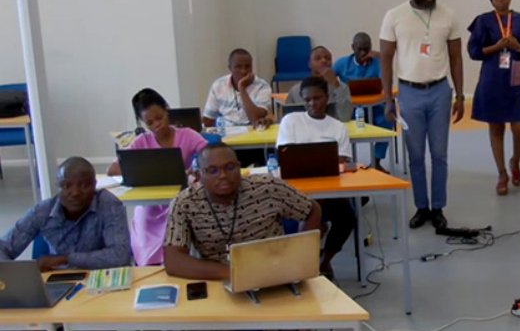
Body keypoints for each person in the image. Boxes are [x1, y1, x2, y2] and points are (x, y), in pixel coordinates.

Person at [380, 0, 465, 229]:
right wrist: (388, 99)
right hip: (408, 92)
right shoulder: (394, 16)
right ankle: (421, 207)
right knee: (415, 155)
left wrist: (460, 95)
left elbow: (456, 57)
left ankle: (438, 207)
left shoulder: (448, 15)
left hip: (440, 91)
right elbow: (385, 58)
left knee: (439, 154)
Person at [163, 144, 322, 280]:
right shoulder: (184, 203)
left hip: (275, 273)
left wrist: (301, 254)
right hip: (221, 278)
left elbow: (312, 209)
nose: (223, 176)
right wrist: (235, 274)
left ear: (240, 167)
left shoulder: (268, 187)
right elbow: (173, 260)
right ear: (199, 176)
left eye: (230, 167)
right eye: (212, 170)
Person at [106, 88, 207, 266]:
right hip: (150, 206)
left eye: (159, 118)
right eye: (150, 122)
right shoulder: (141, 141)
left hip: (178, 202)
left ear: (167, 110)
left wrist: (196, 168)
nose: (156, 125)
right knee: (144, 232)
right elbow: (112, 169)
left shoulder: (187, 135)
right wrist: (139, 169)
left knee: (179, 234)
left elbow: (209, 154)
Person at [277, 76, 357, 280]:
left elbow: (342, 160)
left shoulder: (337, 127)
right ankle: (302, 264)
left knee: (348, 218)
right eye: (307, 100)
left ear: (327, 98)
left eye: (317, 98)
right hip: (296, 192)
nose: (312, 103)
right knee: (309, 208)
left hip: (330, 190)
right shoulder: (291, 121)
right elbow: (287, 156)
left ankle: (324, 262)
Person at [467, 0, 520, 195]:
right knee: (496, 127)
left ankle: (515, 161)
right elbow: (473, 52)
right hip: (492, 78)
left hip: (515, 76)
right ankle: (501, 173)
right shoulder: (482, 21)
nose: (500, 0)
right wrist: (495, 47)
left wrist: (519, 46)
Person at [0, 157, 131, 270]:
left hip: (101, 278)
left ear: (95, 185)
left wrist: (66, 259)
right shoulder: (43, 211)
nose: (75, 193)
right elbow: (4, 247)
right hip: (59, 279)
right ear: (58, 188)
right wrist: (15, 276)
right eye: (66, 186)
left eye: (84, 185)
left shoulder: (108, 204)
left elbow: (120, 256)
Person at [333, 32, 393, 171]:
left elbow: (386, 80)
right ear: (352, 47)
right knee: (339, 126)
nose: (363, 52)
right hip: (352, 110)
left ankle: (376, 161)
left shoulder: (378, 63)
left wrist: (381, 57)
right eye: (359, 49)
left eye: (366, 48)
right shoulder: (342, 63)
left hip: (375, 107)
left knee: (387, 120)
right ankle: (346, 160)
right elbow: (326, 79)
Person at [202, 48, 273, 128]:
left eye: (248, 66)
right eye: (238, 67)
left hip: (253, 133)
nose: (243, 71)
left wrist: (242, 88)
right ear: (230, 68)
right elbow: (208, 120)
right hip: (226, 134)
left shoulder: (262, 86)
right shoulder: (218, 85)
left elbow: (255, 119)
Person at [287, 46, 353, 122]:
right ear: (309, 64)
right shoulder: (295, 90)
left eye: (328, 58)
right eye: (318, 58)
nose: (324, 61)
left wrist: (336, 86)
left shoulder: (341, 87)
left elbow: (346, 117)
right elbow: (287, 119)